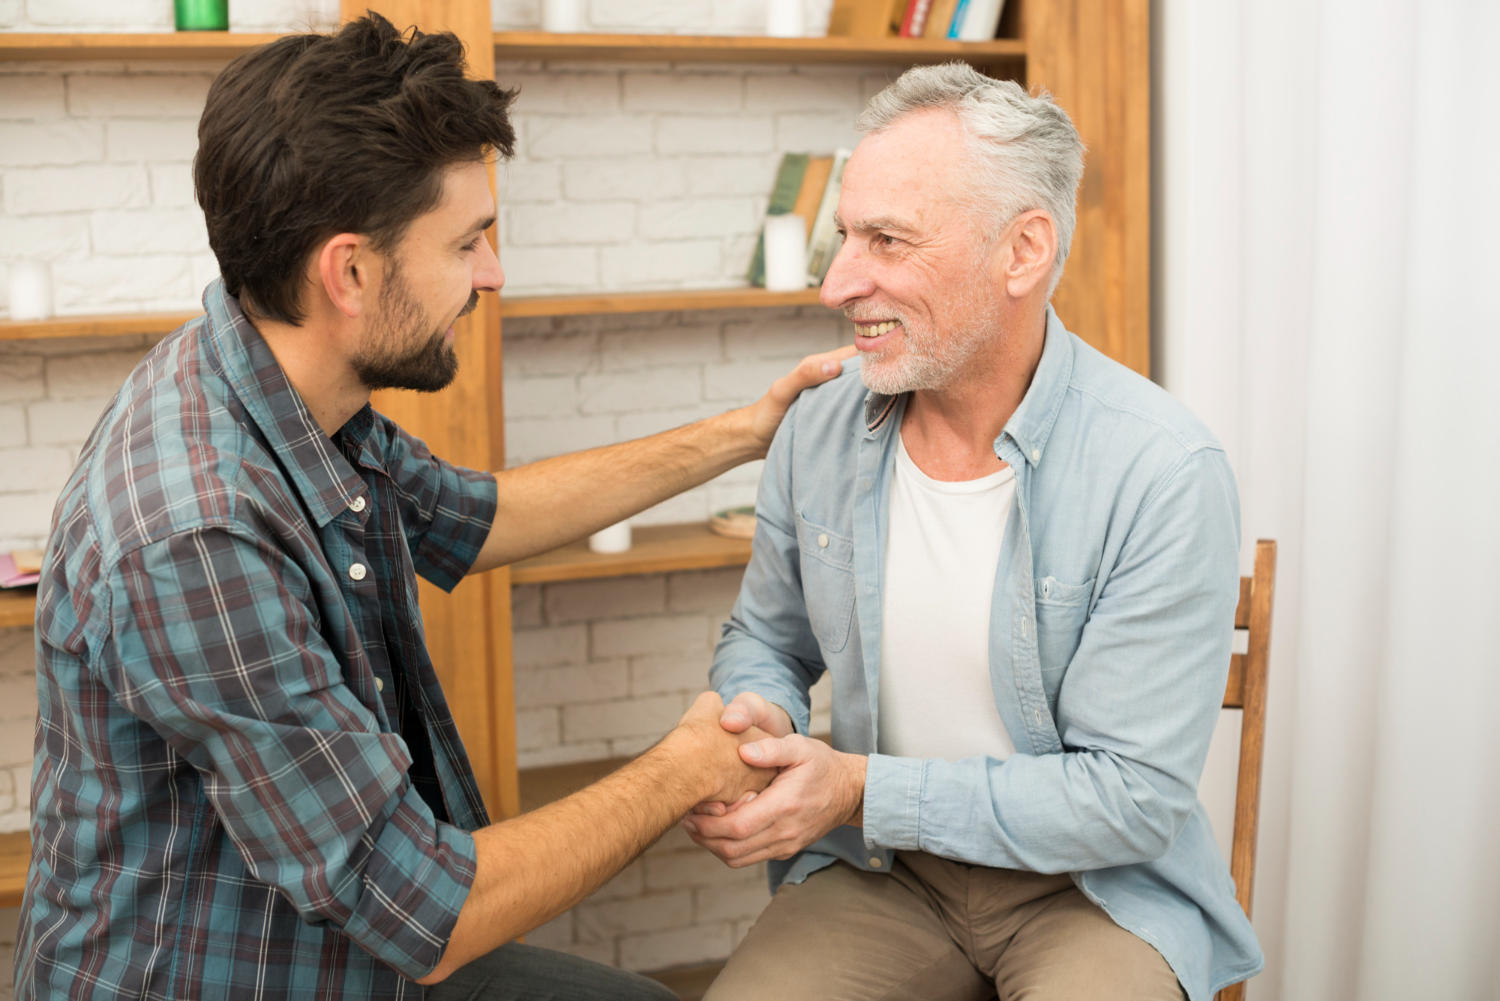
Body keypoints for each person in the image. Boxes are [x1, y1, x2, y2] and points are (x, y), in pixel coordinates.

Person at [14, 14, 850, 1001]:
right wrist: (684, 765)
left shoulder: (280, 377)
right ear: (351, 272)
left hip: (352, 948)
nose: (492, 272)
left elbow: (473, 515)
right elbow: (426, 906)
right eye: (468, 241)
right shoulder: (198, 529)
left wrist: (747, 432)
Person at [684, 63, 1263, 1001]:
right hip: (886, 874)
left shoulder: (1161, 470)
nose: (838, 282)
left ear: (1022, 251)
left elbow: (1131, 800)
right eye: (844, 235)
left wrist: (860, 787)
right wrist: (761, 724)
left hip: (1092, 891)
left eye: (886, 239)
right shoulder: (820, 425)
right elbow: (766, 638)